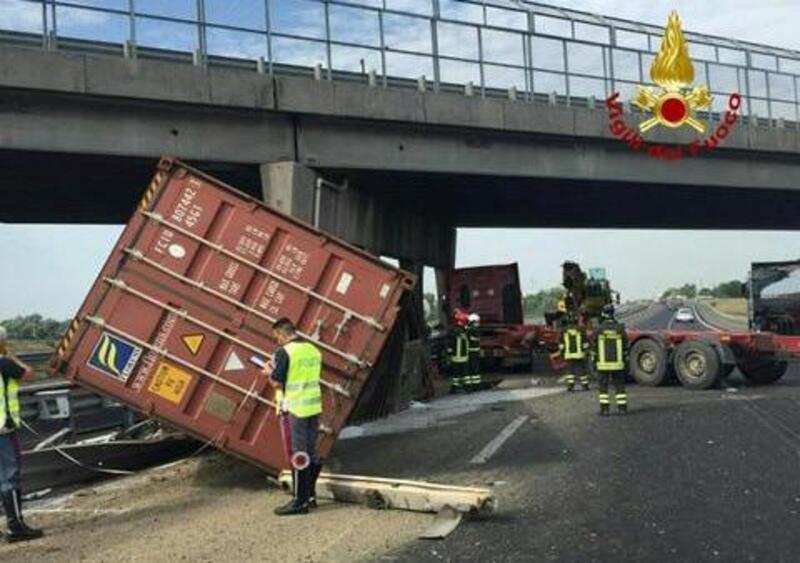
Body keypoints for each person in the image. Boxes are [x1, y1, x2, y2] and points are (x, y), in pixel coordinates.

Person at [265, 318, 323, 516]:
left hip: (295, 408)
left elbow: (278, 383)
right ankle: (310, 495)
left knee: (298, 454)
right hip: (313, 407)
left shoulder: (285, 352)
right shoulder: (313, 350)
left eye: (276, 338)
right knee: (312, 452)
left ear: (281, 334)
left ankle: (299, 501)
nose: (277, 342)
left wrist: (268, 373)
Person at [0, 326, 44, 542]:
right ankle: (15, 526)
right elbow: (29, 375)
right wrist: (11, 356)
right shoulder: (4, 363)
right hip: (2, 429)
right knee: (10, 477)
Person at [590, 305, 629, 416]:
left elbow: (593, 348)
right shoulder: (620, 328)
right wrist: (625, 362)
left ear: (603, 314)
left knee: (603, 388)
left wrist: (594, 363)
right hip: (618, 364)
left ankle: (605, 410)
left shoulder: (598, 329)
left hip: (603, 365)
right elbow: (626, 347)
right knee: (619, 386)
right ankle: (622, 409)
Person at [559, 313, 590, 392]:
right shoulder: (581, 329)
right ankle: (585, 386)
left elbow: (561, 344)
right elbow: (585, 343)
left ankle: (570, 386)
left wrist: (562, 352)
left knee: (570, 371)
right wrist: (586, 352)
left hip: (568, 354)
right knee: (582, 370)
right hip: (579, 354)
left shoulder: (564, 330)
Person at [447, 309, 469, 392]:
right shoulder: (465, 332)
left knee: (456, 374)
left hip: (456, 357)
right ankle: (466, 387)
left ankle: (455, 388)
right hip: (464, 356)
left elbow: (450, 344)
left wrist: (449, 354)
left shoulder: (454, 331)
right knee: (464, 373)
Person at [465, 313, 483, 391]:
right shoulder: (474, 329)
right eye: (477, 321)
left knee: (470, 368)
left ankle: (471, 384)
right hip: (474, 351)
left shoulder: (467, 329)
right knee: (475, 368)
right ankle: (476, 385)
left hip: (469, 351)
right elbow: (476, 339)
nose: (478, 323)